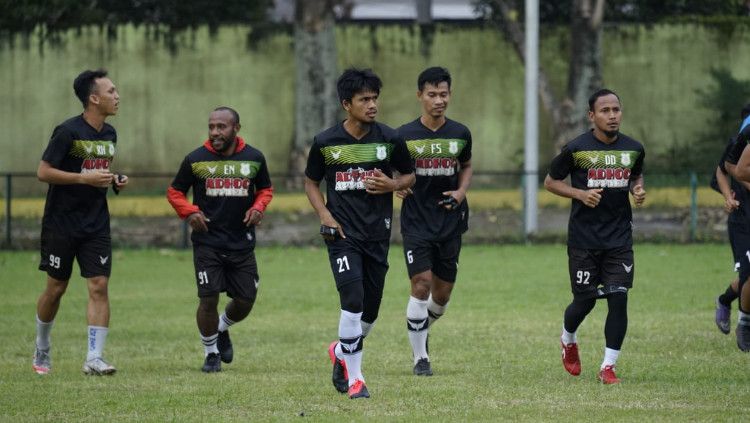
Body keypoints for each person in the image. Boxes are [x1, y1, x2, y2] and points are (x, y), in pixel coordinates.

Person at [304, 68, 415, 399]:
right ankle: (357, 379)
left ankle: (340, 352)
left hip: (376, 235)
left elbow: (409, 176)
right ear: (346, 104)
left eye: (374, 99)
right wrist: (325, 214)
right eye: (364, 99)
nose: (372, 105)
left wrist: (393, 184)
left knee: (369, 313)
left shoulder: (390, 139)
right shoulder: (325, 142)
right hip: (342, 236)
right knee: (351, 301)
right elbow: (311, 181)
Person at [544, 89, 646, 384]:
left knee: (618, 297)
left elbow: (635, 175)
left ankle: (608, 366)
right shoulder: (576, 149)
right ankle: (568, 339)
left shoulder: (633, 149)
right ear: (592, 116)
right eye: (605, 110)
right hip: (584, 239)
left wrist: (637, 189)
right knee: (584, 301)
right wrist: (579, 194)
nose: (612, 115)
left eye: (616, 109)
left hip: (619, 239)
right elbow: (551, 182)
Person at [33, 69, 127, 375]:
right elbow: (44, 172)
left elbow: (96, 170)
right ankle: (42, 345)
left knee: (99, 285)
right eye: (111, 91)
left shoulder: (110, 134)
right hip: (62, 222)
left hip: (96, 222)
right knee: (56, 288)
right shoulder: (67, 132)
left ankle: (94, 358)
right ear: (93, 98)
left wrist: (114, 179)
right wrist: (82, 178)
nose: (117, 96)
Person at [167, 107, 273, 372]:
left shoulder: (254, 158)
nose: (215, 132)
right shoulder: (195, 159)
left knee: (246, 300)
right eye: (212, 126)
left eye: (221, 127)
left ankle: (222, 327)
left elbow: (266, 190)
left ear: (236, 128)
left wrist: (259, 207)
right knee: (208, 298)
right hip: (207, 243)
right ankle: (211, 352)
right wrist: (189, 212)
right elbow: (175, 192)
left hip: (242, 243)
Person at [395, 67, 472, 376]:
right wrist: (398, 182)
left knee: (440, 297)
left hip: (450, 220)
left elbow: (466, 166)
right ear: (420, 96)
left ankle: (421, 329)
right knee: (421, 284)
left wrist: (461, 191)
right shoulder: (402, 135)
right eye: (432, 94)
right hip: (416, 221)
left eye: (444, 94)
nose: (439, 100)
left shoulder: (461, 133)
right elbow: (391, 170)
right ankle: (420, 358)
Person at [710, 106, 750, 335]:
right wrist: (728, 197)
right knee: (747, 274)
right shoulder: (738, 142)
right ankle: (741, 320)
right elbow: (721, 171)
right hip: (741, 218)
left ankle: (725, 300)